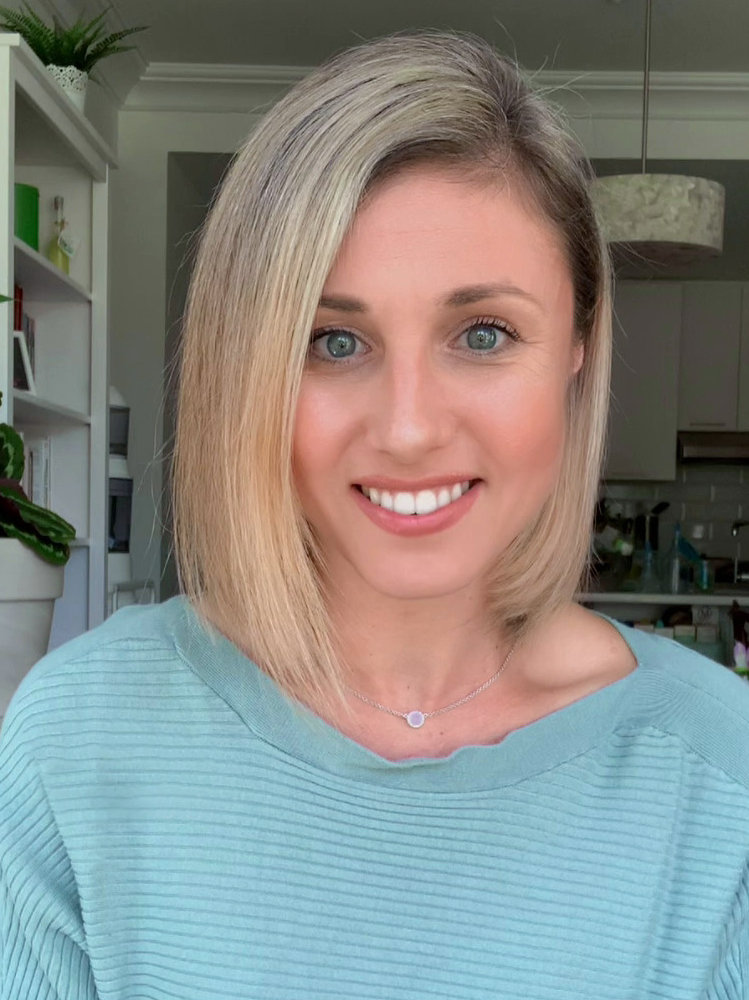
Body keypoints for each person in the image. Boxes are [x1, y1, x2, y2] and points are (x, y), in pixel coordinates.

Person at [1, 30, 748, 1000]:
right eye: (333, 340)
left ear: (577, 344)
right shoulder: (77, 735)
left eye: (483, 334)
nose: (406, 428)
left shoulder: (719, 771)